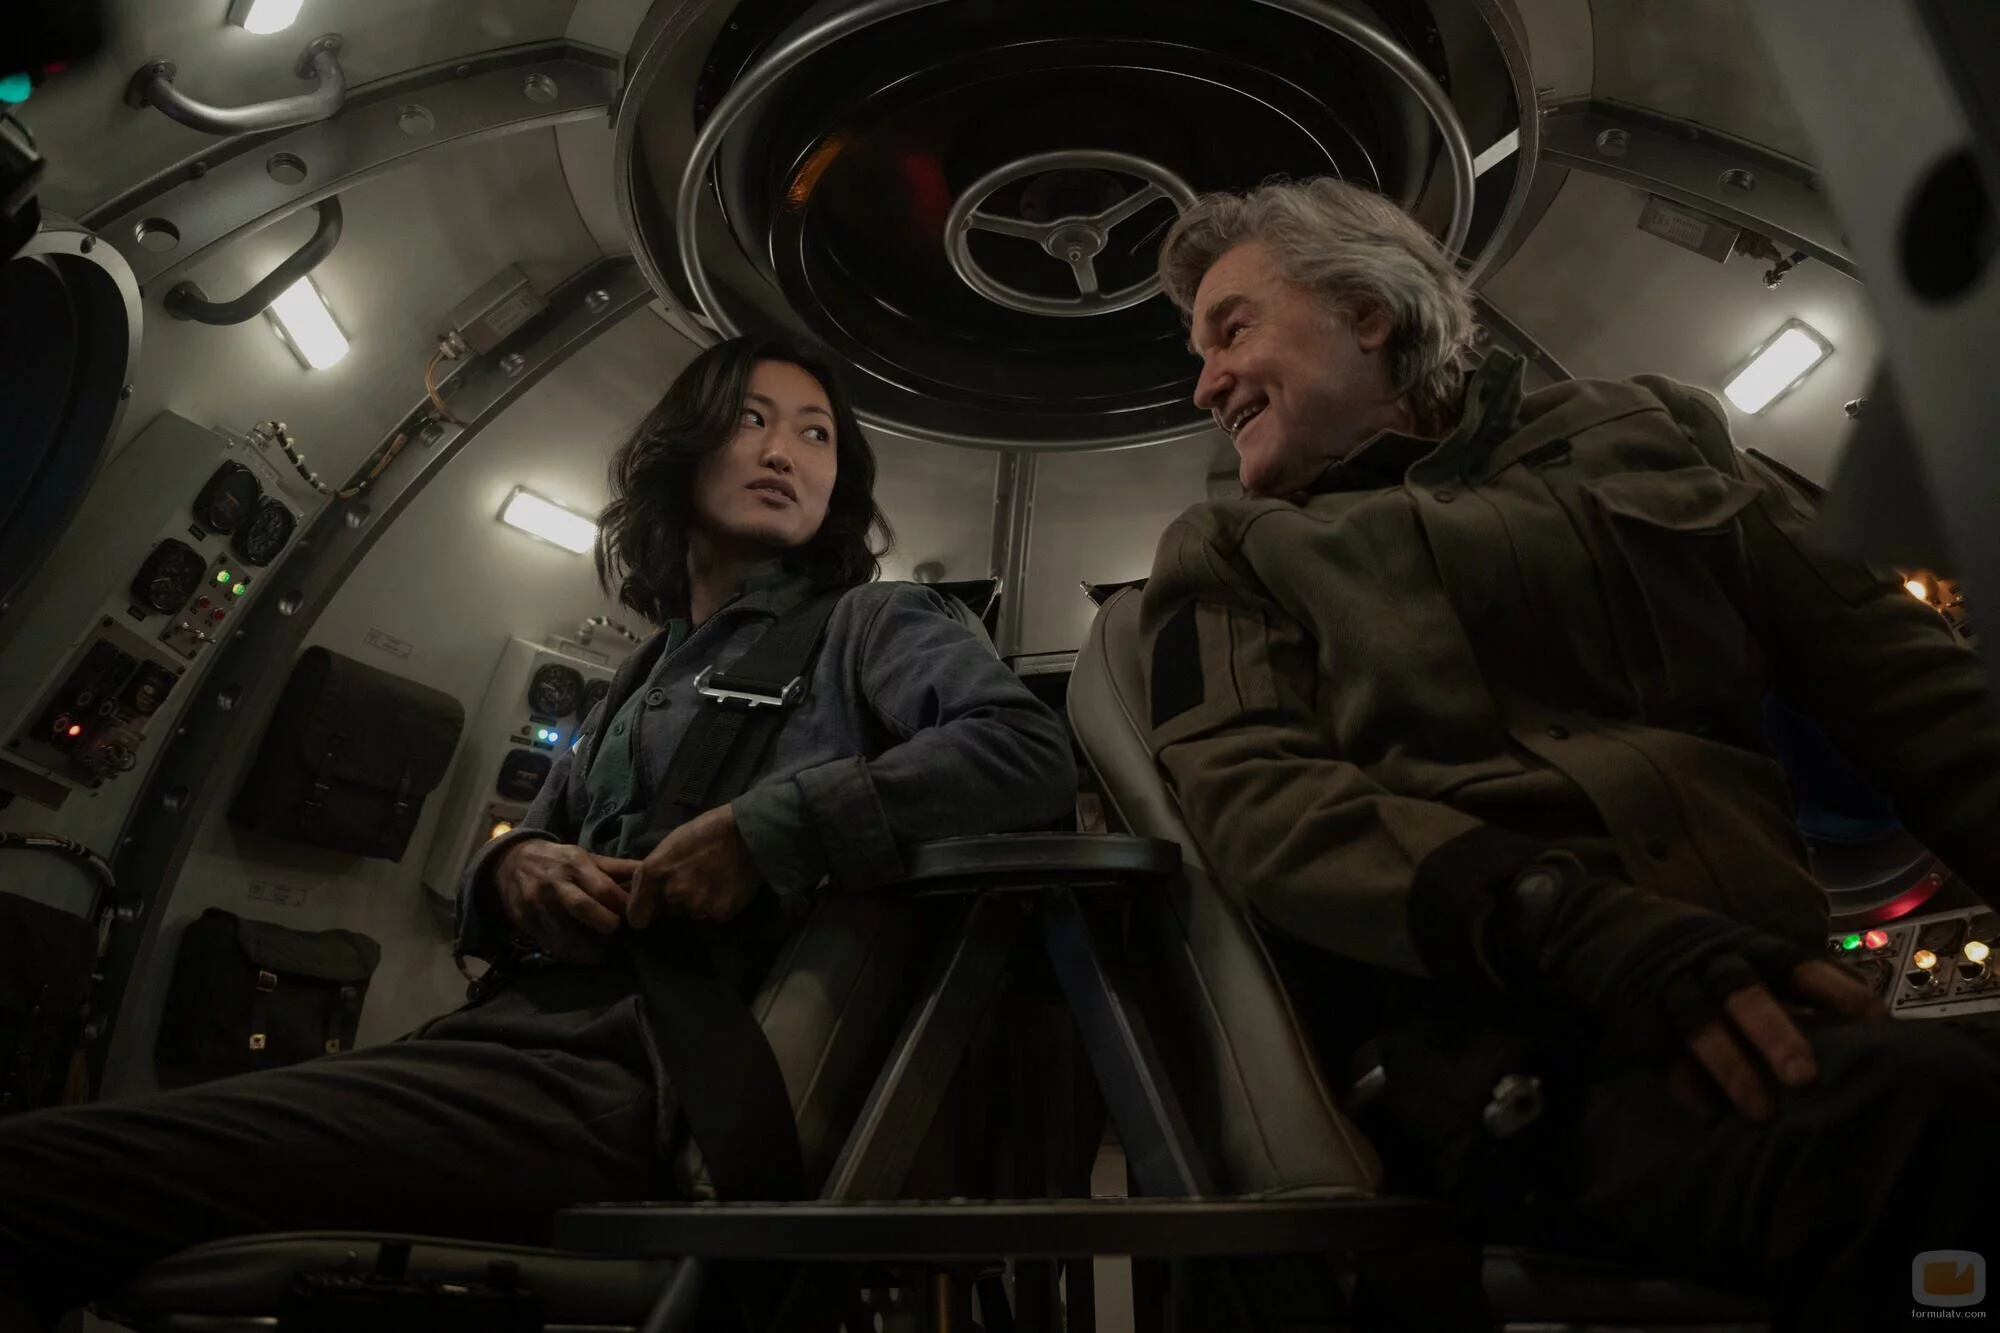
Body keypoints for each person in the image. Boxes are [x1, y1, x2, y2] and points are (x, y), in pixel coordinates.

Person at [0, 333, 1078, 1330]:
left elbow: (1025, 753)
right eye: (752, 419)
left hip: (645, 1082)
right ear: (683, 447)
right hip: (505, 1046)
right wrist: (515, 867)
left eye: (816, 434)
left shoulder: (874, 623)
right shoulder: (635, 681)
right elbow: (523, 848)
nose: (784, 452)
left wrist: (768, 831)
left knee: (37, 1175)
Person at [1139, 178, 2000, 1330]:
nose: (1204, 381)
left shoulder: (1654, 436)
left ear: (1365, 310)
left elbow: (1923, 704)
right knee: (1923, 1122)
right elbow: (1260, 801)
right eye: (1198, 352)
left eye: (1230, 327)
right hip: (1506, 1053)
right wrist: (1561, 921)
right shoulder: (1227, 552)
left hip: (1770, 1006)